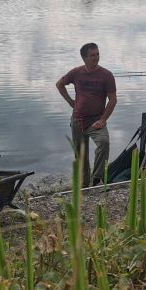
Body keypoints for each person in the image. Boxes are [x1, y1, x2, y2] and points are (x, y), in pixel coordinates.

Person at [56, 42, 117, 187]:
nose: (96, 57)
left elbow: (113, 100)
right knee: (81, 156)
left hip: (96, 120)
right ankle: (84, 186)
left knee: (104, 143)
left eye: (97, 54)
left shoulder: (106, 75)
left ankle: (97, 178)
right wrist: (70, 101)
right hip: (78, 120)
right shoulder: (76, 72)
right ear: (84, 58)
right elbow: (59, 84)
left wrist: (103, 119)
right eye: (92, 55)